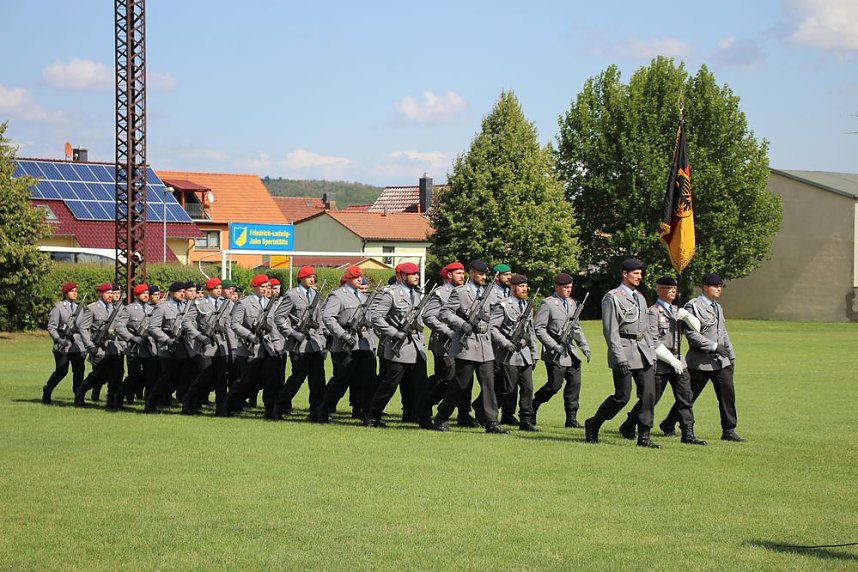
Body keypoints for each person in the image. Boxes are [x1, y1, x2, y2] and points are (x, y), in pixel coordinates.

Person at [616, 276, 706, 445]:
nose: (673, 291)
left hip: (679, 360)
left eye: (674, 289)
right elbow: (653, 341)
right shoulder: (653, 312)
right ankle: (629, 425)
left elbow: (697, 328)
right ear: (659, 290)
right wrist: (671, 360)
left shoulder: (676, 311)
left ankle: (688, 433)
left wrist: (687, 317)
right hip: (661, 362)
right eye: (668, 288)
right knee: (651, 399)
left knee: (685, 397)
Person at [585, 258, 660, 448]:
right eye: (635, 273)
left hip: (643, 351)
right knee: (622, 397)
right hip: (625, 351)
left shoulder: (640, 297)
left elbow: (647, 329)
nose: (639, 276)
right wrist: (620, 357)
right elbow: (611, 331)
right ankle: (594, 423)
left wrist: (652, 353)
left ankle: (644, 436)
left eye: (640, 273)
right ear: (625, 274)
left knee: (648, 395)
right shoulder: (613, 297)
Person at [660, 273, 745, 442]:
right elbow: (691, 334)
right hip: (700, 361)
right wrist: (713, 347)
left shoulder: (717, 307)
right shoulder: (693, 306)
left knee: (727, 396)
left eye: (721, 286)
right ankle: (669, 422)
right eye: (715, 286)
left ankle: (729, 430)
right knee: (688, 396)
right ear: (705, 287)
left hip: (721, 361)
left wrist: (731, 356)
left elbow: (722, 333)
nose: (719, 289)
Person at [435, 259, 507, 434]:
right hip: (466, 345)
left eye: (485, 274)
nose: (483, 277)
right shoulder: (460, 292)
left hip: (485, 346)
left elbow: (496, 315)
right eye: (480, 274)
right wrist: (462, 324)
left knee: (488, 385)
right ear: (472, 272)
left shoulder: (489, 293)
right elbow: (444, 313)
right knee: (460, 385)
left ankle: (491, 422)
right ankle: (441, 417)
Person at [365, 262, 432, 429]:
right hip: (399, 346)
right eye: (412, 274)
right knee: (390, 384)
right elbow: (376, 318)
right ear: (401, 276)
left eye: (417, 273)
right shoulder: (390, 294)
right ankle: (372, 415)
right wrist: (394, 332)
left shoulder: (416, 294)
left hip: (416, 346)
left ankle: (424, 419)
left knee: (420, 385)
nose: (416, 276)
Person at [317, 266, 378, 423]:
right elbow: (328, 318)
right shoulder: (337, 296)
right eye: (355, 277)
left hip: (363, 344)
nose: (359, 279)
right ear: (348, 278)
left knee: (367, 380)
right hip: (346, 345)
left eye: (360, 277)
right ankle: (323, 410)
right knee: (341, 381)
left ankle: (365, 413)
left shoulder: (363, 298)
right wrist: (342, 335)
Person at [532, 272, 591, 429]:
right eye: (565, 287)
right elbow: (539, 329)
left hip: (570, 351)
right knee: (554, 386)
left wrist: (584, 346)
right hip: (555, 352)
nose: (568, 290)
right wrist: (553, 345)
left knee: (575, 383)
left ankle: (571, 418)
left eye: (570, 287)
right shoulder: (548, 304)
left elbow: (576, 328)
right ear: (557, 287)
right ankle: (533, 406)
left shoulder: (572, 304)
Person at [424, 262, 478, 427]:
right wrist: (448, 332)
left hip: (462, 343)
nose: (462, 276)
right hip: (444, 344)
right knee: (446, 379)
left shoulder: (466, 292)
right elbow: (429, 316)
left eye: (463, 273)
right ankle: (424, 406)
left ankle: (463, 414)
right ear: (448, 275)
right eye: (458, 273)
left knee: (465, 380)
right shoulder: (440, 293)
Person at [274, 266, 328, 421]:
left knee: (318, 380)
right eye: (309, 276)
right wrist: (291, 332)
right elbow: (279, 317)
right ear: (301, 278)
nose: (312, 279)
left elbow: (320, 319)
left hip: (315, 342)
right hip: (300, 344)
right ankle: (279, 405)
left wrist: (322, 341)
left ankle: (316, 411)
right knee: (297, 378)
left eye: (313, 276)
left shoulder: (316, 294)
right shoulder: (292, 295)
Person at [490, 274, 539, 431]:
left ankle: (526, 419)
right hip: (508, 354)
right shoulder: (503, 305)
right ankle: (487, 410)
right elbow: (492, 328)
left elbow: (530, 331)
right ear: (512, 287)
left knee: (528, 388)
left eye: (525, 286)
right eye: (521, 286)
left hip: (524, 354)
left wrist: (534, 352)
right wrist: (505, 343)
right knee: (508, 389)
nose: (524, 289)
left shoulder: (528, 306)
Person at [227, 274, 280, 418]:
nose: (265, 289)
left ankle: (269, 410)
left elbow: (273, 326)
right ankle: (229, 404)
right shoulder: (244, 303)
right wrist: (249, 335)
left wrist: (277, 344)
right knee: (245, 380)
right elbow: (235, 324)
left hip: (267, 348)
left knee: (270, 380)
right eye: (262, 287)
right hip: (249, 348)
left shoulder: (270, 304)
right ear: (255, 287)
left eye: (266, 287)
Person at [182, 277, 232, 416]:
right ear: (209, 290)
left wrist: (231, 346)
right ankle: (189, 399)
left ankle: (221, 407)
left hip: (221, 345)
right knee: (204, 377)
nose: (219, 291)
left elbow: (229, 325)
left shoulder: (226, 304)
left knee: (221, 379)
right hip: (206, 345)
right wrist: (198, 335)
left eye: (220, 288)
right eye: (216, 288)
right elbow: (186, 321)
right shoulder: (200, 304)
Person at [145, 281, 194, 413]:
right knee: (166, 378)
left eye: (184, 292)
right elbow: (153, 328)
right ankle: (151, 402)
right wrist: (166, 340)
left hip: (184, 347)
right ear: (172, 293)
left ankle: (186, 404)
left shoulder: (187, 306)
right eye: (179, 292)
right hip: (168, 347)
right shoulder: (162, 307)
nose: (182, 294)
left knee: (185, 377)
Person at [74, 283, 126, 409]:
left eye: (111, 293)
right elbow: (83, 327)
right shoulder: (92, 308)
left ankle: (111, 400)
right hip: (99, 348)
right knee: (98, 375)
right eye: (107, 293)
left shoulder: (116, 308)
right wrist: (89, 345)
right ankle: (80, 392)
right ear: (100, 294)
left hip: (114, 346)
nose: (110, 295)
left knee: (117, 374)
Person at [42, 282, 87, 404]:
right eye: (72, 291)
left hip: (77, 344)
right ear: (66, 293)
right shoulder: (59, 307)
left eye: (76, 291)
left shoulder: (80, 308)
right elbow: (52, 327)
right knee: (61, 371)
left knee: (79, 371)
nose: (75, 293)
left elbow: (83, 327)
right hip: (63, 343)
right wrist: (58, 339)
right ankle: (48, 389)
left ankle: (78, 396)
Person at [114, 283, 156, 406]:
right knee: (134, 377)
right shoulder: (129, 309)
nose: (146, 295)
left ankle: (149, 404)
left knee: (150, 377)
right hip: (134, 348)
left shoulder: (152, 309)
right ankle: (120, 395)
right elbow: (119, 326)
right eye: (143, 293)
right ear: (137, 295)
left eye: (147, 293)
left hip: (149, 347)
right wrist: (131, 337)